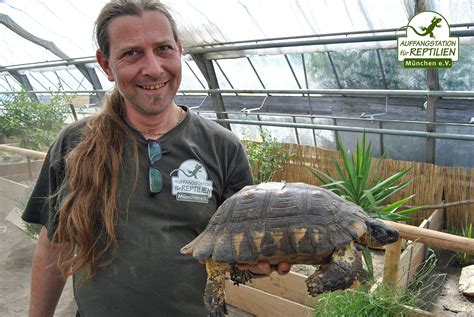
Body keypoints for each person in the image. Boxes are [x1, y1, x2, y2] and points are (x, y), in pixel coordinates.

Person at [22, 1, 290, 316]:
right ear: (106, 65)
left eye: (163, 48)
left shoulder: (223, 148)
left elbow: (235, 251)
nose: (152, 68)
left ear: (179, 51)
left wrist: (258, 260)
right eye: (131, 53)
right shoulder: (75, 144)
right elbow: (54, 246)